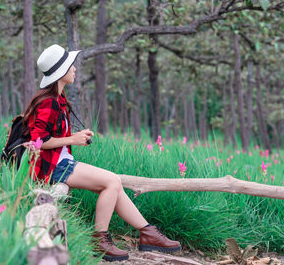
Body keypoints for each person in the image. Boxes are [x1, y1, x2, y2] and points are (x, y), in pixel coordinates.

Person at [22, 44, 181, 262]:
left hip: (60, 162)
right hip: (51, 168)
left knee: (113, 183)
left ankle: (148, 233)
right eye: (71, 66)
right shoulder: (48, 102)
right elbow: (37, 141)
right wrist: (72, 139)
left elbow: (52, 135)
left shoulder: (58, 99)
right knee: (111, 182)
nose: (75, 69)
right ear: (61, 72)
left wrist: (76, 137)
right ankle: (101, 239)